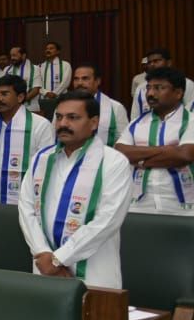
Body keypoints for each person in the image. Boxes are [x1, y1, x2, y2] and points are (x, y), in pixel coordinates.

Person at [19, 91, 133, 288]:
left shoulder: (113, 162)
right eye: (59, 117)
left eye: (73, 118)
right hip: (44, 266)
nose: (63, 124)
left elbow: (107, 221)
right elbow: (26, 208)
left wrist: (58, 259)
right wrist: (43, 253)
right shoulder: (41, 158)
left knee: (93, 318)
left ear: (94, 122)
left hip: (94, 271)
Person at [116, 67, 194, 217]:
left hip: (185, 207)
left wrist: (139, 160)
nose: (151, 93)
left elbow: (184, 156)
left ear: (178, 93)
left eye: (159, 88)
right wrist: (166, 150)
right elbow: (120, 152)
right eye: (149, 88)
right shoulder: (135, 123)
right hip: (139, 205)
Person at [0, 75, 56, 205]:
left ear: (20, 97)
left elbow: (46, 167)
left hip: (26, 203)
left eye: (4, 94)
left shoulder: (40, 125)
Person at [70, 64, 129, 146]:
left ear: (97, 81)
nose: (79, 83)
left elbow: (124, 142)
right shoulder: (64, 106)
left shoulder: (115, 107)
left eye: (85, 78)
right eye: (76, 79)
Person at [35, 41, 72, 114]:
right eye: (46, 49)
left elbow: (66, 82)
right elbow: (37, 84)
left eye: (51, 48)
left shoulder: (65, 65)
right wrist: (46, 93)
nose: (48, 50)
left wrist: (55, 93)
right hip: (43, 100)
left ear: (58, 51)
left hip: (61, 100)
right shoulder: (39, 66)